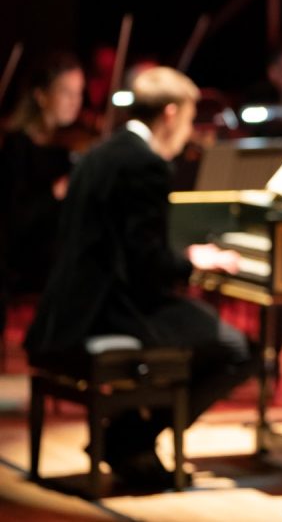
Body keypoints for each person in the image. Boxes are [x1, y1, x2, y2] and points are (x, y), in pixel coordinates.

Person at [24, 67, 252, 490]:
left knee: (200, 331)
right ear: (169, 113)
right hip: (108, 310)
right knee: (235, 348)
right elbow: (148, 265)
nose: (187, 132)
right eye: (187, 119)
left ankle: (128, 439)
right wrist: (192, 259)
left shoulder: (99, 152)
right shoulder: (145, 164)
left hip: (66, 307)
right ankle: (128, 438)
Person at [0, 52, 84, 297]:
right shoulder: (17, 147)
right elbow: (13, 219)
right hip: (29, 261)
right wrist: (54, 193)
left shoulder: (71, 143)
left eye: (79, 92)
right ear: (41, 96)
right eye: (66, 92)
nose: (75, 102)